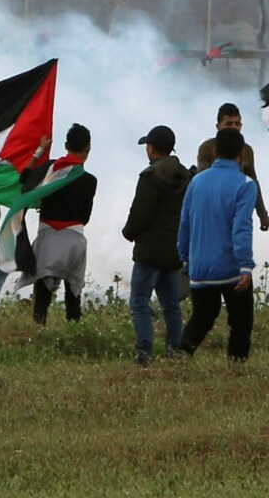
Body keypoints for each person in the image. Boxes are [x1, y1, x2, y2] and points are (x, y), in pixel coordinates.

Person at [178, 128, 258, 361]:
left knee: (202, 317)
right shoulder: (246, 184)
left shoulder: (197, 182)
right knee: (241, 322)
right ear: (241, 155)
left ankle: (182, 355)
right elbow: (241, 227)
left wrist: (186, 257)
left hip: (200, 266)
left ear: (214, 151)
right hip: (231, 267)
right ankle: (235, 368)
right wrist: (245, 265)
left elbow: (185, 222)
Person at [121, 125, 192, 367]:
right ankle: (174, 351)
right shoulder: (185, 177)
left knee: (139, 301)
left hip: (149, 251)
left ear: (152, 149)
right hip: (174, 249)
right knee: (171, 305)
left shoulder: (150, 177)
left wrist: (128, 232)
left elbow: (140, 213)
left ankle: (145, 352)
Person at [15, 125, 97, 324]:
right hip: (74, 239)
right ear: (88, 148)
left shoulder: (50, 170)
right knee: (73, 291)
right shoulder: (90, 181)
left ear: (66, 145)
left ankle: (38, 326)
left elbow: (24, 179)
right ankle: (73, 328)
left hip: (47, 238)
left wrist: (40, 150)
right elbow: (85, 217)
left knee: (42, 292)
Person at [195, 103, 269, 232]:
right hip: (212, 214)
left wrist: (263, 215)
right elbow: (202, 183)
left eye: (237, 123)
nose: (234, 127)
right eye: (229, 124)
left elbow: (253, 183)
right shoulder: (207, 148)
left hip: (238, 212)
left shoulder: (246, 150)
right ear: (218, 127)